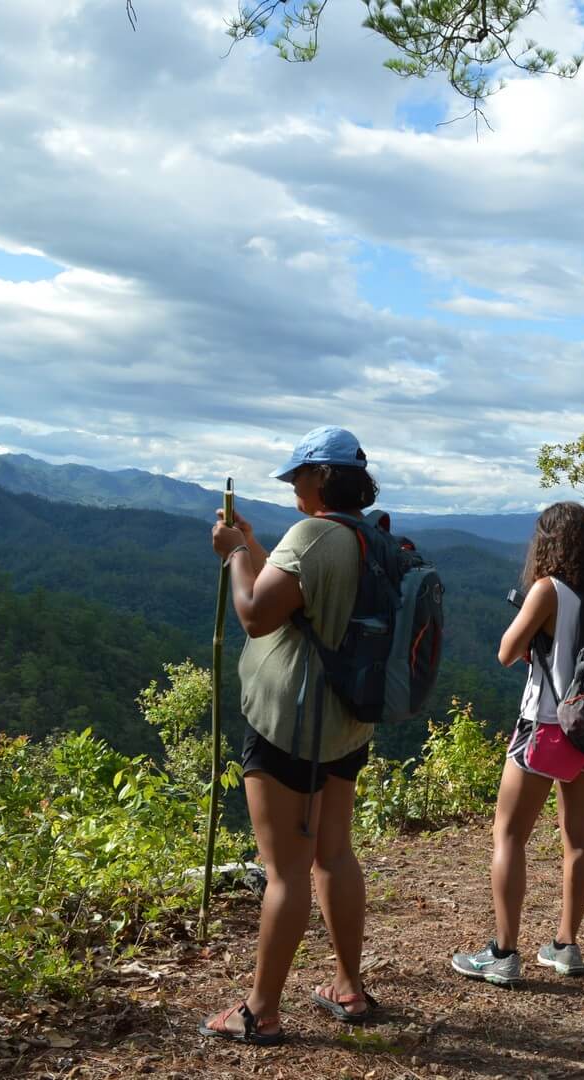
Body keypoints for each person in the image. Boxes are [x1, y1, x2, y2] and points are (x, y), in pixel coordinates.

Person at [199, 426, 381, 1043]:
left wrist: (233, 554)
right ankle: (349, 986)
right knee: (335, 854)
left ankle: (259, 1011)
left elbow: (255, 614)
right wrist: (251, 544)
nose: (293, 486)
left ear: (321, 477)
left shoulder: (311, 536)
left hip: (291, 727)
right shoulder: (365, 537)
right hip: (346, 722)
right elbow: (295, 596)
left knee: (284, 871)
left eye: (299, 475)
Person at [452, 502, 584, 986]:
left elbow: (506, 652)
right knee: (579, 837)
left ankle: (504, 952)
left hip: (547, 725)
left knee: (508, 835)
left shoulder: (548, 590)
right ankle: (566, 945)